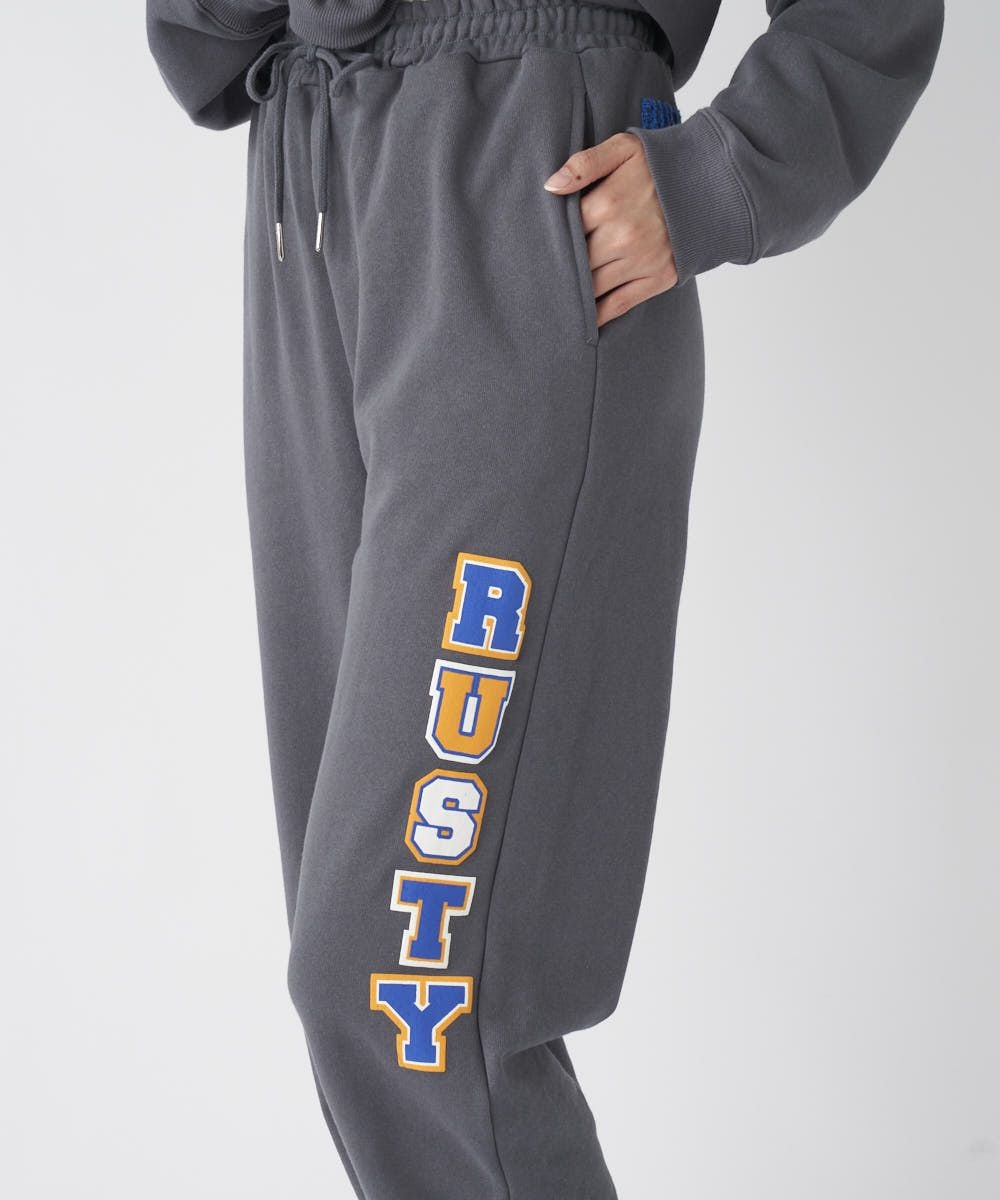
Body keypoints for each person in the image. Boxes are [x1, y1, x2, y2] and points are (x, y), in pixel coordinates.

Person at [147, 1, 943, 1196]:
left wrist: (726, 170)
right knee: (380, 994)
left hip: (525, 183)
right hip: (304, 197)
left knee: (406, 991)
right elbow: (195, 41)